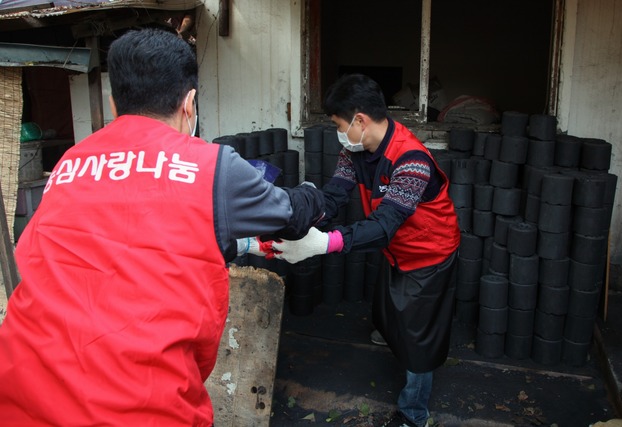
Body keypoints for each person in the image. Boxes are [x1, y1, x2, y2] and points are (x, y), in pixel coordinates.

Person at [0, 28, 324, 426]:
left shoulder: (70, 162)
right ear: (189, 102)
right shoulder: (210, 167)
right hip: (139, 408)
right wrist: (315, 196)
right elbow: (291, 218)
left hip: (23, 395)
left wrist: (230, 244)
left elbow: (124, 242)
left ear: (114, 102)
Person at [271, 74, 460, 427]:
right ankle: (395, 334)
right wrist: (298, 214)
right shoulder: (354, 151)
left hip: (429, 253)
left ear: (359, 120)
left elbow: (385, 223)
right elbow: (334, 197)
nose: (337, 132)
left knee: (419, 339)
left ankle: (413, 413)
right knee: (389, 308)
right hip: (397, 249)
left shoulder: (411, 160)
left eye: (338, 124)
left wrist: (323, 244)